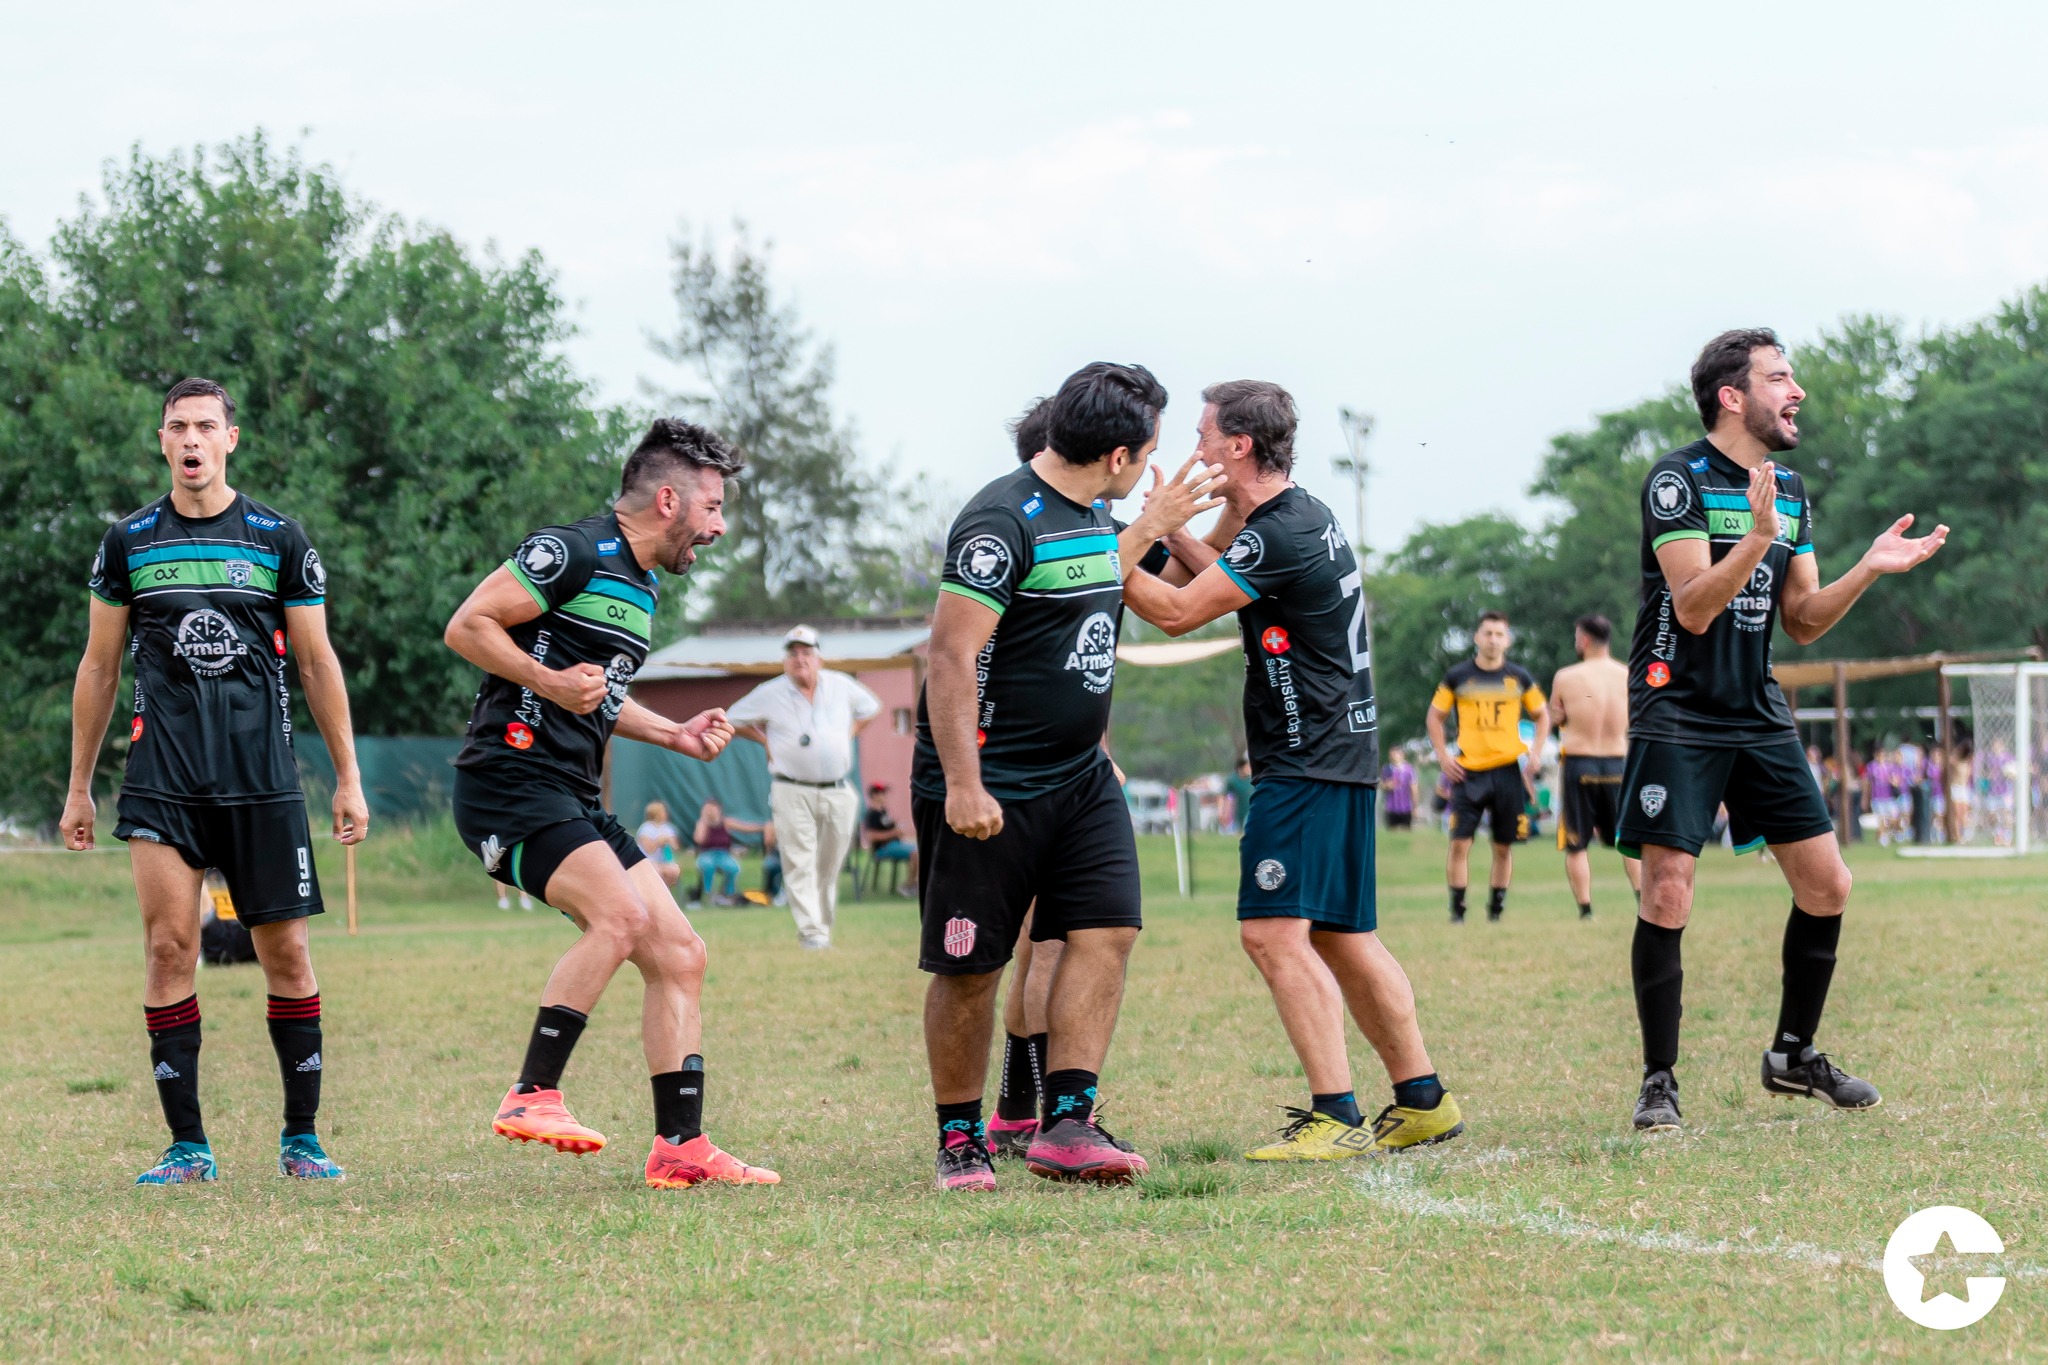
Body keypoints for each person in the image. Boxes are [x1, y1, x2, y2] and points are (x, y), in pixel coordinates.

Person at [1121, 379, 1462, 1160]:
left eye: (1204, 435)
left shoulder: (1280, 532)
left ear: (1239, 445)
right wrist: (1171, 532)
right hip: (1340, 753)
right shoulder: (1293, 516)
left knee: (1272, 934)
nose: (1194, 449)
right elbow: (1209, 574)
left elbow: (1175, 613)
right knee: (1344, 935)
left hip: (1305, 759)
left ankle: (1335, 1114)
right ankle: (1422, 1100)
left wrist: (1102, 556)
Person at [1618, 328, 1947, 1134]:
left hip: (1756, 708)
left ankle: (1793, 1055)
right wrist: (1758, 537)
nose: (1796, 391)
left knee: (1828, 883)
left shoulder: (1790, 487)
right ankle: (1659, 1080)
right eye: (1780, 377)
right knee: (1668, 889)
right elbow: (1692, 605)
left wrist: (1866, 569)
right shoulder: (1678, 479)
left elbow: (1799, 620)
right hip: (1678, 706)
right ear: (1733, 396)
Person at [443, 417, 777, 1189]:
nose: (718, 527)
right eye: (714, 507)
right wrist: (547, 680)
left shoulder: (641, 583)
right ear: (669, 500)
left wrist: (675, 732)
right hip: (508, 783)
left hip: (568, 793)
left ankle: (680, 1148)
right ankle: (532, 1092)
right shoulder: (573, 550)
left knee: (681, 953)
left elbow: (601, 697)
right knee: (621, 918)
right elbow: (469, 625)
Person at [915, 361, 1221, 1191]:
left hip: (1082, 776)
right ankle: (959, 1139)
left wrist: (1162, 524)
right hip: (991, 779)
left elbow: (1104, 591)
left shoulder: (1095, 514)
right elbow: (949, 655)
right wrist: (965, 784)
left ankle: (1068, 1123)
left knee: (1107, 931)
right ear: (1120, 456)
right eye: (1150, 451)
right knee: (972, 968)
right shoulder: (999, 520)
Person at [61, 377, 368, 1185]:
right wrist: (77, 786)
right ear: (161, 441)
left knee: (289, 956)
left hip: (263, 779)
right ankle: (187, 1146)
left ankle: (301, 1138)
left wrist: (347, 777)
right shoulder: (128, 541)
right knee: (169, 949)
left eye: (206, 425)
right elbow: (97, 667)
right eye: (177, 426)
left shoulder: (279, 538)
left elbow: (315, 661)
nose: (191, 439)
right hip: (163, 781)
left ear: (232, 438)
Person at [728, 627, 881, 950]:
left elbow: (871, 708)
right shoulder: (770, 691)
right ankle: (812, 933)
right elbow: (732, 719)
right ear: (785, 661)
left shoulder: (840, 684)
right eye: (793, 653)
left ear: (818, 658)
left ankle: (822, 928)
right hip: (790, 787)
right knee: (799, 859)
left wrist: (847, 735)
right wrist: (763, 739)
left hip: (838, 788)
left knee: (829, 862)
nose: (800, 659)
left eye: (806, 652)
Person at [1427, 612, 1550, 922]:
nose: (1493, 639)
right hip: (1468, 772)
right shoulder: (1457, 676)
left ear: (1507, 640)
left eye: (1499, 634)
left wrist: (1535, 753)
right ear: (1476, 638)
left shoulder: (1519, 677)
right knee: (1459, 843)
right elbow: (1434, 717)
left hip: (1508, 771)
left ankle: (1495, 910)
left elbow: (1543, 715)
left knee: (1503, 846)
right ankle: (1457, 911)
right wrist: (1444, 756)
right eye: (1488, 633)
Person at [1547, 614, 1642, 918]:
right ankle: (1643, 900)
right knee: (1630, 841)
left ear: (1584, 640)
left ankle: (1586, 909)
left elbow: (1556, 717)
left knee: (1577, 844)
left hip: (1580, 763)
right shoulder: (1628, 675)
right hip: (1618, 763)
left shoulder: (1566, 676)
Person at [862, 782, 918, 890]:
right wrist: (893, 833)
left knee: (921, 849)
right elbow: (871, 836)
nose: (885, 796)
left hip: (895, 844)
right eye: (882, 793)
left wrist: (897, 828)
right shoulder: (872, 814)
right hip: (883, 848)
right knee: (915, 853)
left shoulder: (883, 811)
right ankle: (910, 885)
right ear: (874, 795)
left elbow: (889, 827)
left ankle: (916, 883)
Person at [692, 799, 742, 905]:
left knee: (733, 868)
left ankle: (728, 894)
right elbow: (699, 839)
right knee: (708, 866)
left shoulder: (726, 822)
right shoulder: (702, 824)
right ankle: (708, 894)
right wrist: (704, 821)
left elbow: (746, 827)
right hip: (707, 854)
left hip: (723, 855)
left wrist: (764, 827)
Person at [635, 801, 684, 889]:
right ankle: (656, 892)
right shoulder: (645, 829)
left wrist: (670, 841)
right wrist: (658, 841)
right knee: (655, 871)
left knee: (674, 870)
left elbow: (676, 848)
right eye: (663, 811)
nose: (666, 814)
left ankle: (664, 890)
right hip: (648, 860)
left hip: (665, 860)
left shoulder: (668, 828)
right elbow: (648, 850)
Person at [1380, 753, 1417, 832]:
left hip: (1406, 807)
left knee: (1406, 832)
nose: (1395, 756)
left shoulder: (1409, 770)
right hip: (1391, 807)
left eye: (1397, 754)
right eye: (1392, 754)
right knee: (1391, 834)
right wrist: (1388, 785)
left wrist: (1414, 806)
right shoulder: (1386, 769)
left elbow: (1414, 788)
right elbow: (1382, 785)